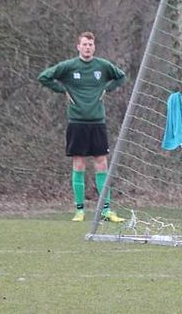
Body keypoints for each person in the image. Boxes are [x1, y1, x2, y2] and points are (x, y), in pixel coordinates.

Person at [39, 32, 126, 223]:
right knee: (79, 164)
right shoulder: (69, 67)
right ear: (78, 46)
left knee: (101, 163)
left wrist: (107, 89)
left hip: (97, 122)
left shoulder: (102, 66)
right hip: (77, 122)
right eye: (84, 44)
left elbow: (121, 77)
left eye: (90, 44)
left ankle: (106, 210)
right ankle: (79, 210)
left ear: (94, 47)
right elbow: (44, 77)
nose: (88, 47)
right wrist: (62, 89)